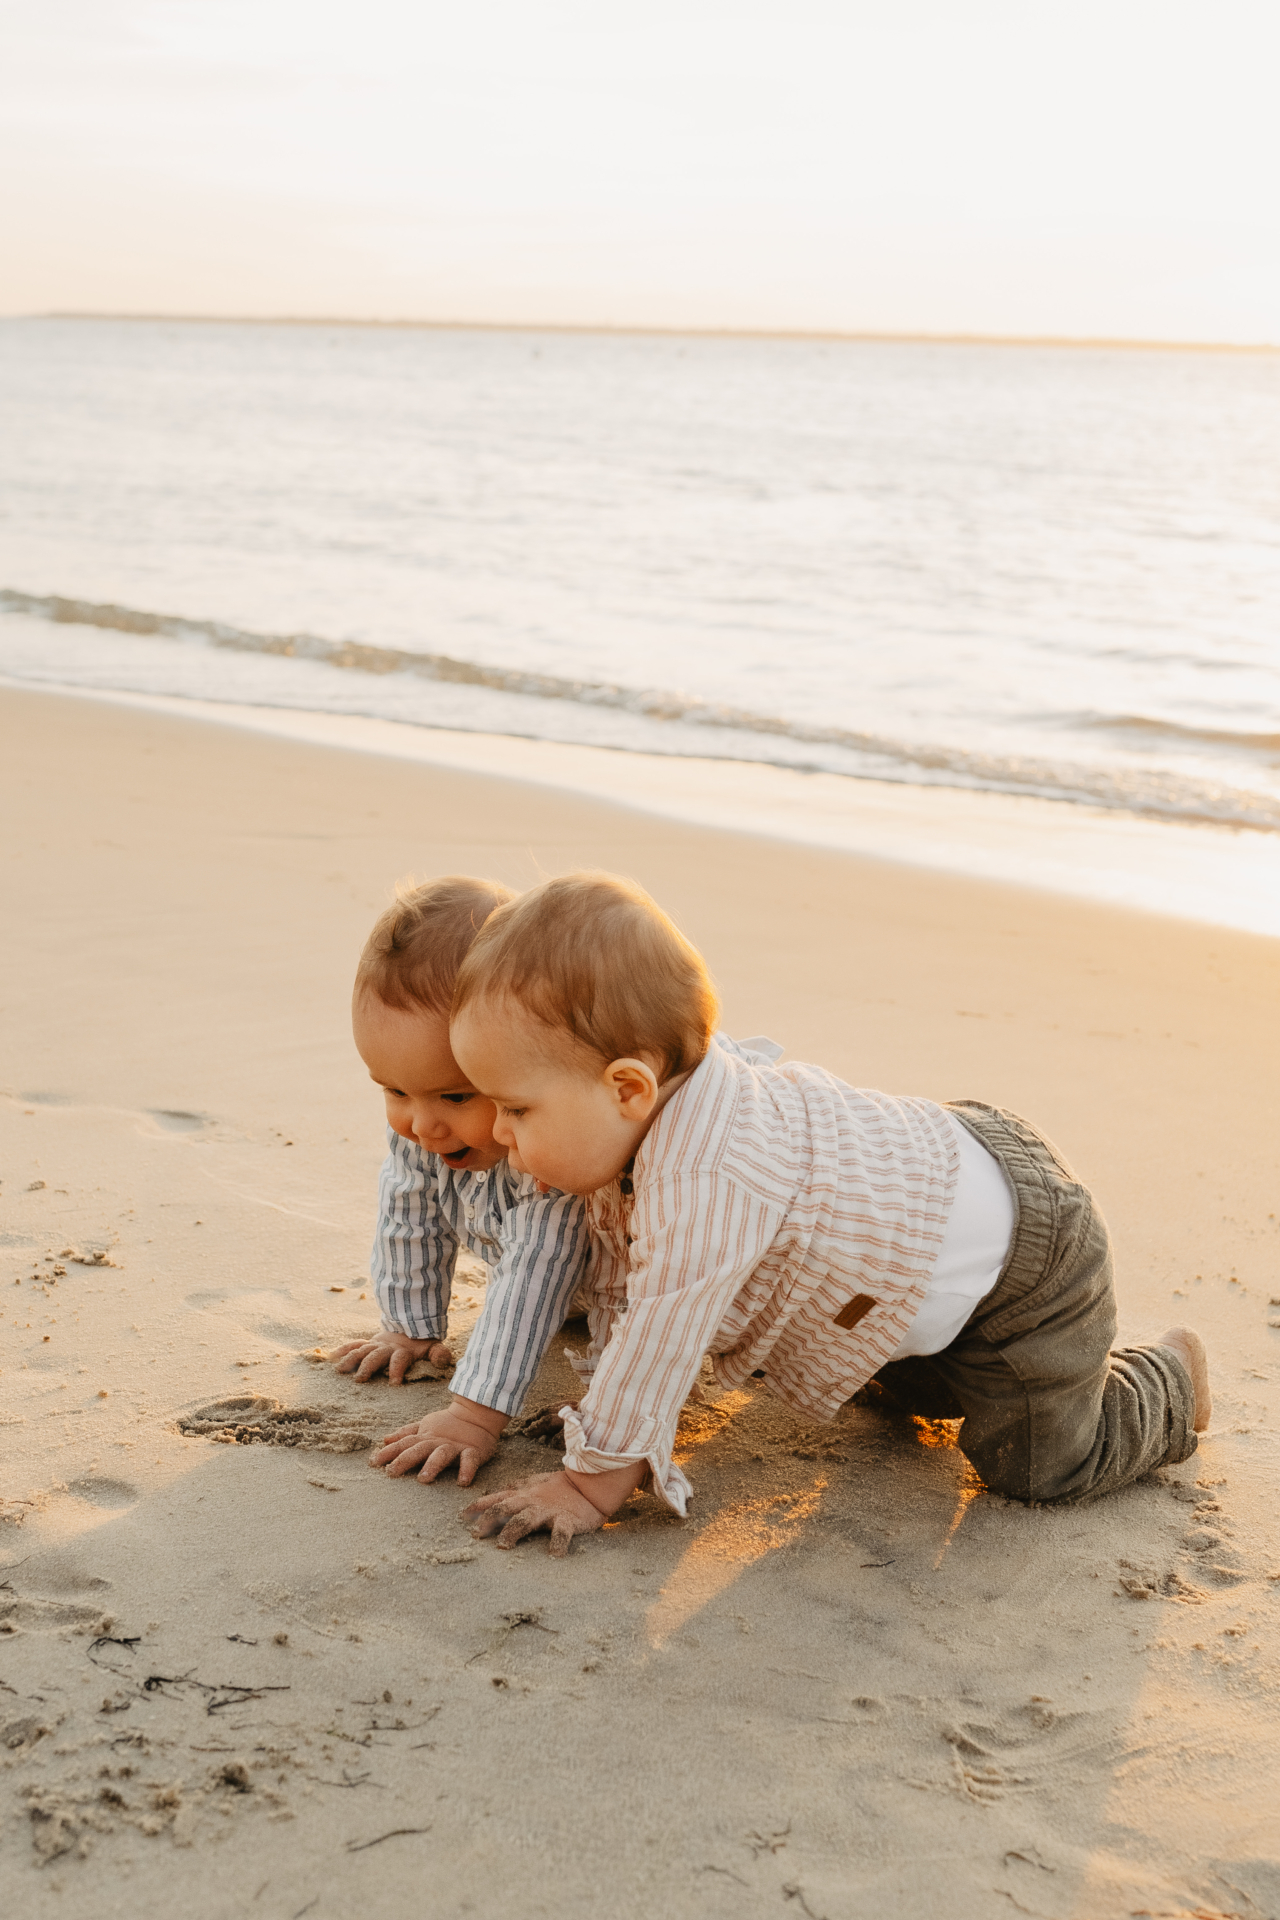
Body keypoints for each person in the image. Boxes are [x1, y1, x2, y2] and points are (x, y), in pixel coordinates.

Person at [448, 871, 1212, 1557]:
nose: (498, 1131)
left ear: (627, 1088)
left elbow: (665, 1322)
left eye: (515, 1108)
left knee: (1041, 1462)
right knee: (904, 1402)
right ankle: (940, 1366)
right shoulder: (645, 1133)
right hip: (914, 1249)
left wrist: (591, 1481)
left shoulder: (712, 1172)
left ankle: (1170, 1381)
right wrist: (607, 1402)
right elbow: (625, 1283)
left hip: (1027, 1267)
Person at [336, 876, 591, 1487]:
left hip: (617, 1292)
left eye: (455, 1094)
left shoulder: (547, 1154)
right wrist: (410, 1325)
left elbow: (535, 1271)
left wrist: (474, 1417)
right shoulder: (428, 1124)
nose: (422, 1124)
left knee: (614, 1366)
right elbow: (409, 1211)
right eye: (394, 1090)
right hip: (561, 1297)